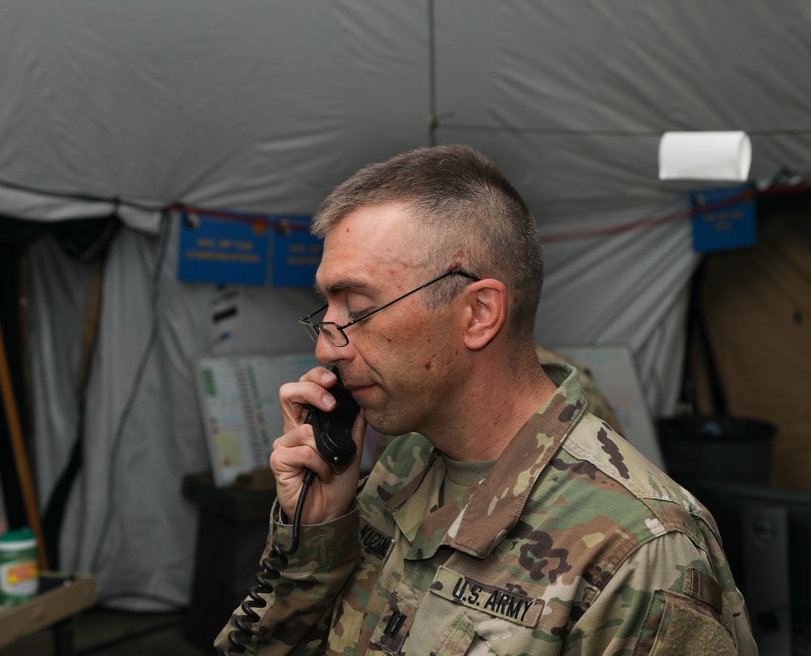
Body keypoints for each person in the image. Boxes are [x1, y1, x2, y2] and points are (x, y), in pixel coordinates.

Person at [215, 144, 756, 655]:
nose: (324, 347)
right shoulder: (402, 463)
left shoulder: (641, 552)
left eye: (356, 308)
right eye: (326, 311)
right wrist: (316, 533)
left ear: (478, 314)